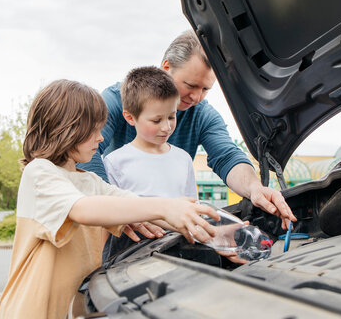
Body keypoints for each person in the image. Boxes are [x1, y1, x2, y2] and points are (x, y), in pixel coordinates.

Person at [0, 79, 220, 319]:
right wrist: (164, 207)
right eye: (93, 130)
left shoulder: (89, 181)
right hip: (31, 312)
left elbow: (133, 203)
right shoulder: (39, 172)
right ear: (66, 129)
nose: (101, 138)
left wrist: (215, 233)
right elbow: (82, 209)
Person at [78, 30, 296, 244]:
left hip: (175, 237)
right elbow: (83, 150)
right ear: (167, 68)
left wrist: (254, 188)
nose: (196, 97)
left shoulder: (202, 115)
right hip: (125, 233)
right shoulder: (118, 100)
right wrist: (119, 210)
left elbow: (227, 155)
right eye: (190, 86)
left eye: (205, 89)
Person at [102, 66, 198, 260]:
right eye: (156, 120)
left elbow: (192, 209)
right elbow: (107, 221)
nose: (167, 127)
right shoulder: (115, 162)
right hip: (129, 258)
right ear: (130, 117)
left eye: (171, 116)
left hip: (179, 255)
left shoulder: (183, 159)